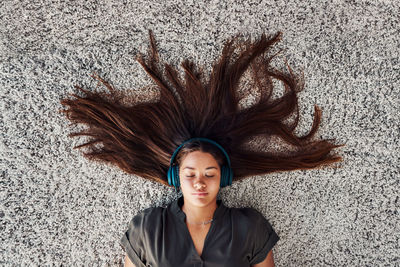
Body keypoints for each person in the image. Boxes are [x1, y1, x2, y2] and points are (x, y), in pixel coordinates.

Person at [59, 29, 344, 266]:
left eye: (210, 173)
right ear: (175, 177)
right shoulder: (148, 228)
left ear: (224, 177)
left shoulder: (250, 228)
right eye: (190, 174)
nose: (199, 182)